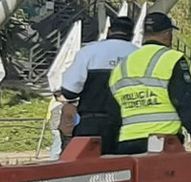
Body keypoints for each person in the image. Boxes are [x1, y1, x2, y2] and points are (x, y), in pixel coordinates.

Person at [107, 12, 191, 155]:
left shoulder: (123, 65)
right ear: (167, 34)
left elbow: (112, 111)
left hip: (127, 142)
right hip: (163, 141)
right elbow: (183, 100)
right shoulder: (173, 59)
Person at [59, 15, 138, 145]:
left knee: (88, 165)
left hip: (93, 124)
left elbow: (69, 91)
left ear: (109, 30)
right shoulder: (139, 55)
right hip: (129, 126)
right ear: (132, 34)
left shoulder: (89, 52)